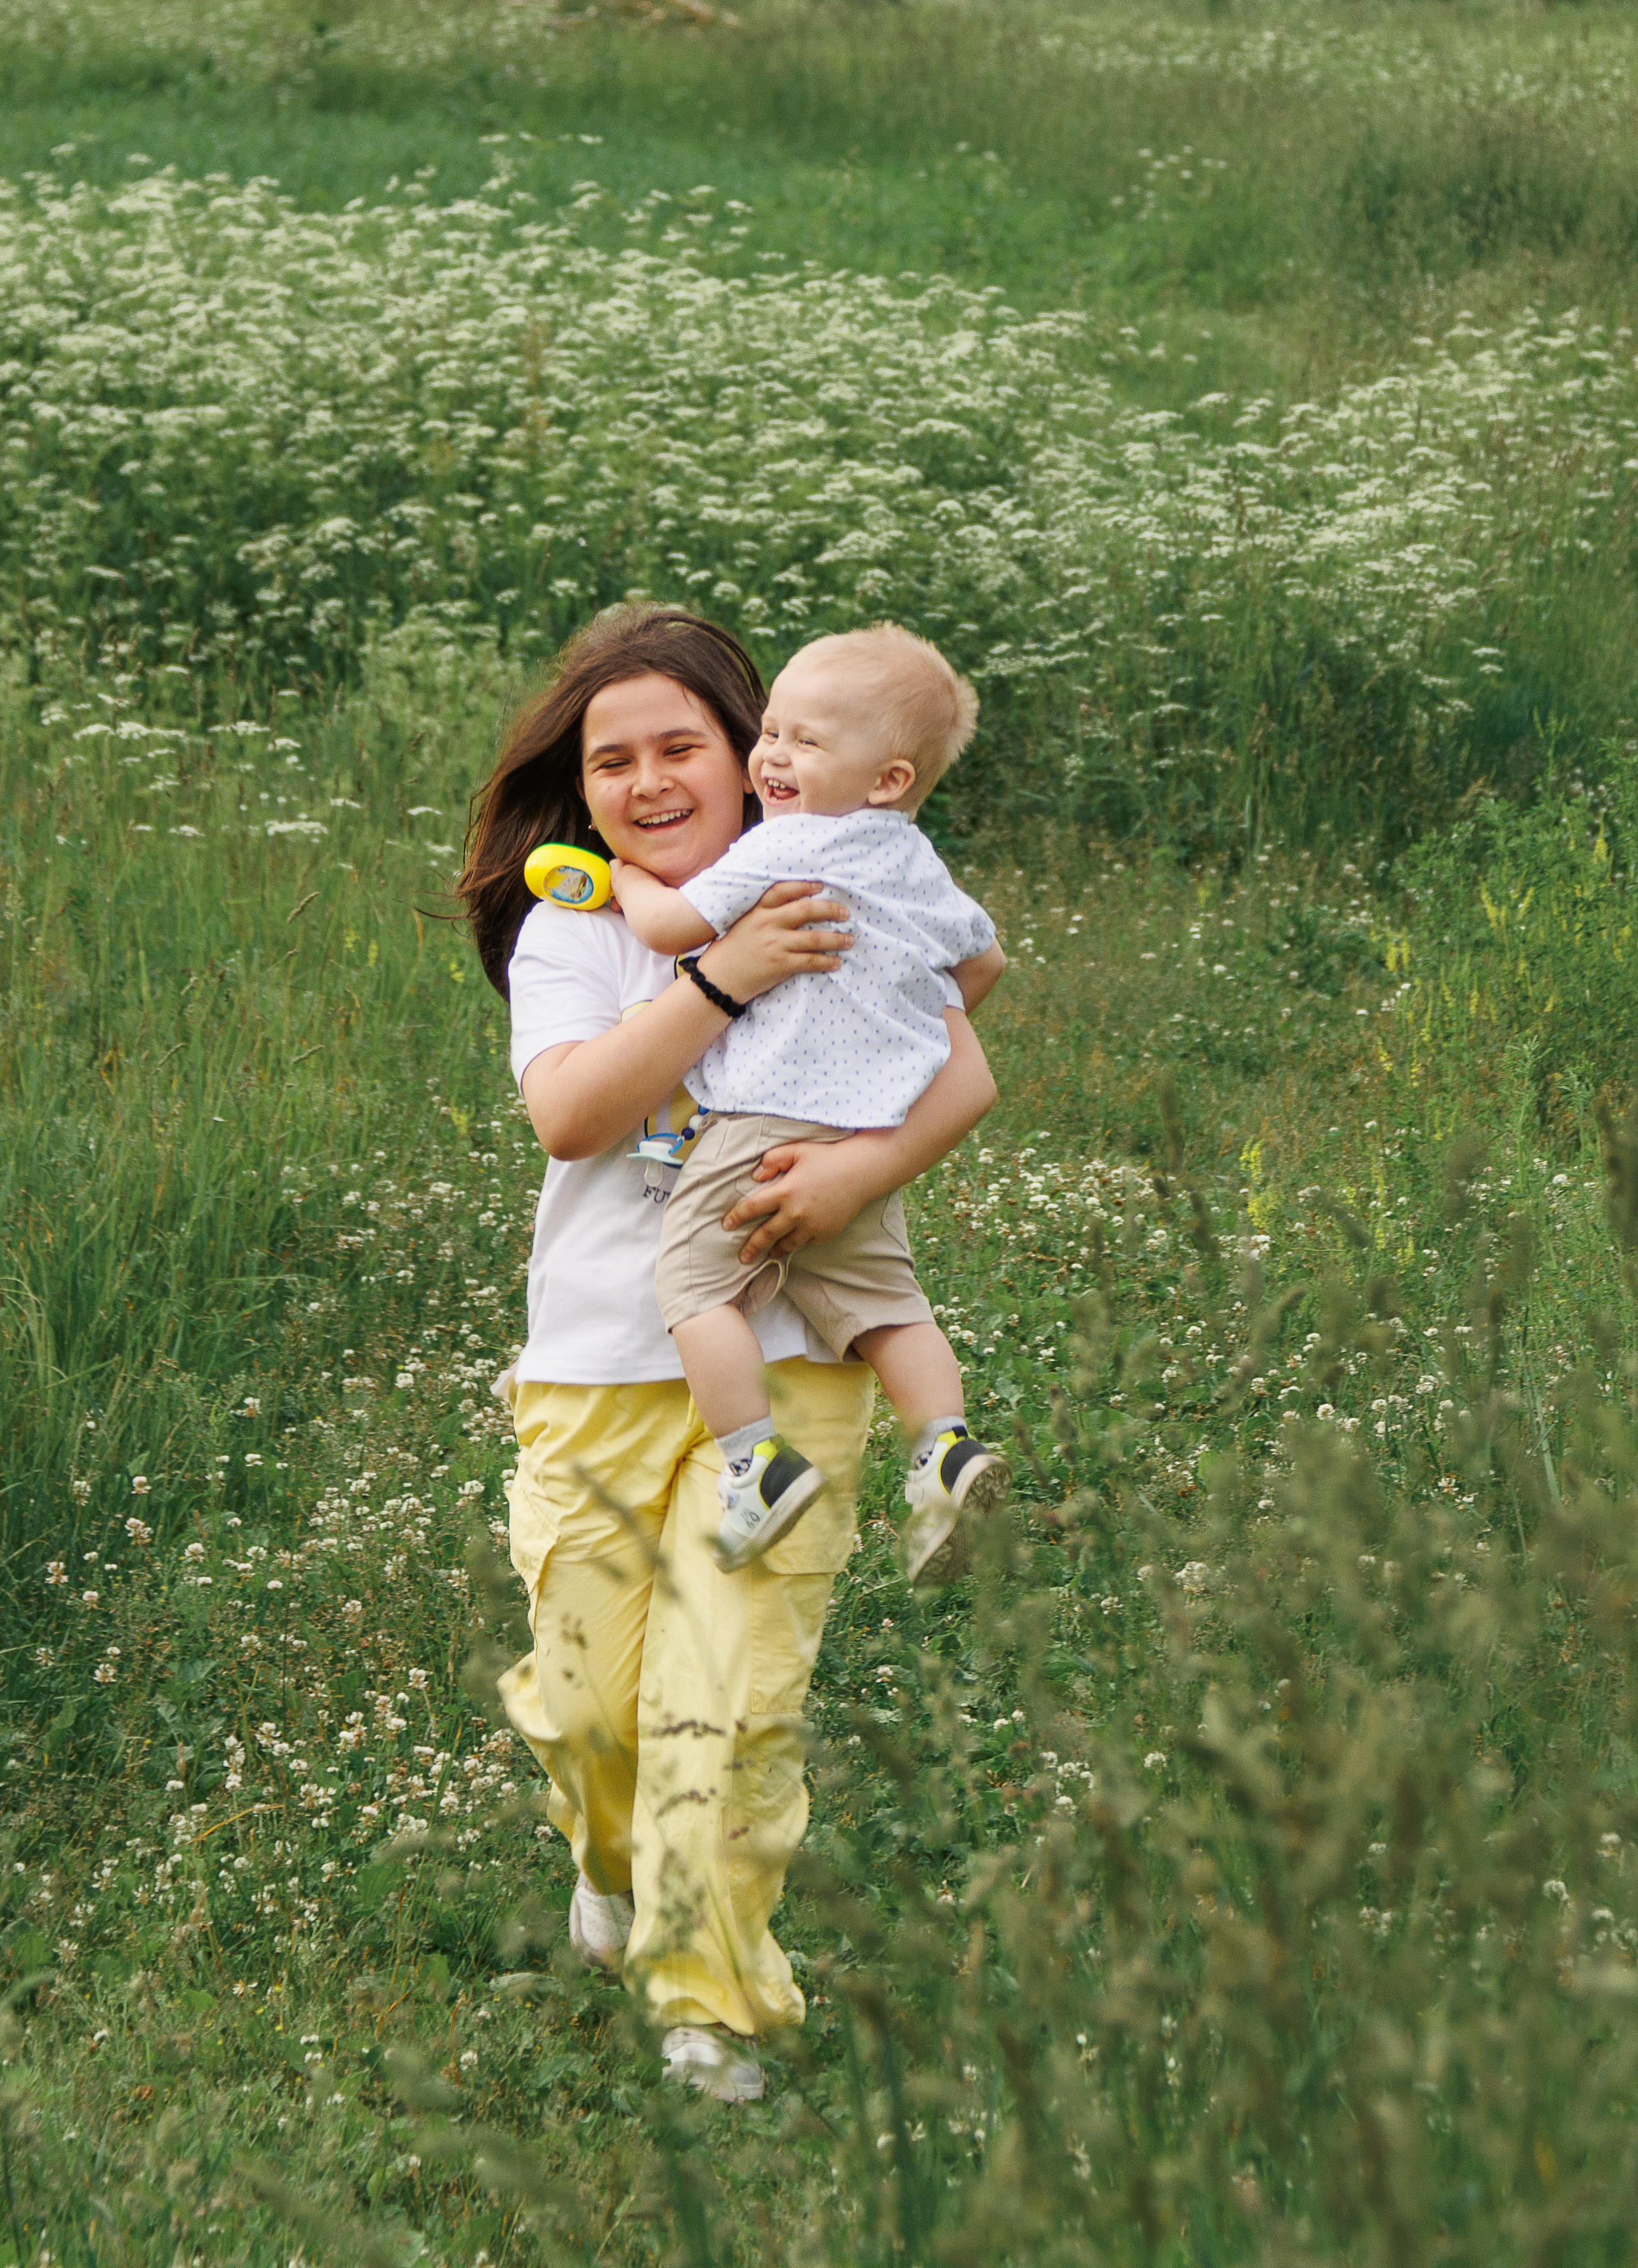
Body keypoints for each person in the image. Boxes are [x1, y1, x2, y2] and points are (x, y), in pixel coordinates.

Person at [456, 606, 999, 2104]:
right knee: (586, 1709)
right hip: (594, 1366)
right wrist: (727, 974)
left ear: (754, 753)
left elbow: (964, 1055)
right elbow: (573, 1116)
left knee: (728, 1698)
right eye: (608, 759)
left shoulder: (841, 893)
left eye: (677, 746)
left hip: (788, 1357)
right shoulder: (579, 926)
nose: (643, 780)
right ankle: (611, 1861)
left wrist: (848, 1180)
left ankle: (708, 1991)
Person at [608, 625, 1011, 1585]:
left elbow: (671, 924)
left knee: (696, 1289)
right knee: (885, 1307)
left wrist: (621, 875)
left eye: (807, 741)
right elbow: (985, 961)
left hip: (760, 1120)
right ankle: (945, 1447)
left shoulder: (786, 843)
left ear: (887, 777)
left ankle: (755, 1463)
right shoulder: (915, 860)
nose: (774, 754)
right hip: (869, 1126)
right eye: (772, 731)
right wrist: (900, 1020)